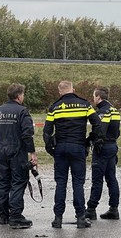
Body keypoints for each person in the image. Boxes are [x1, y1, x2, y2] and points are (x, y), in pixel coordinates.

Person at [43, 80, 101, 229]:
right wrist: (90, 140)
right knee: (78, 183)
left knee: (61, 182)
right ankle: (81, 217)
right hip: (78, 147)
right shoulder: (84, 104)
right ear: (73, 89)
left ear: (59, 92)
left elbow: (47, 131)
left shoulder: (55, 106)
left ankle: (58, 218)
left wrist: (50, 149)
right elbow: (97, 123)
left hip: (61, 148)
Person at [0, 83, 38, 229]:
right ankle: (16, 216)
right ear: (19, 96)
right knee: (18, 182)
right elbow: (27, 133)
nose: (23, 97)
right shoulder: (23, 111)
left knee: (3, 182)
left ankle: (3, 215)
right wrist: (32, 152)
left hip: (2, 152)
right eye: (23, 94)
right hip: (17, 152)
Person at [86, 87, 121, 220]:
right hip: (112, 146)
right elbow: (116, 131)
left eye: (94, 96)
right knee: (111, 178)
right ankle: (114, 208)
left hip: (103, 148)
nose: (93, 99)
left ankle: (91, 209)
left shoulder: (103, 112)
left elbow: (100, 130)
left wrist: (90, 140)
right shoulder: (114, 110)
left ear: (98, 97)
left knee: (97, 179)